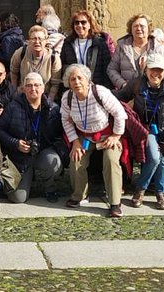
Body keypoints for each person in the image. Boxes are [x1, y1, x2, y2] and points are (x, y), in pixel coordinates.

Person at [61, 63, 127, 218]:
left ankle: (115, 203)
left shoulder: (100, 92)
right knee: (76, 159)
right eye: (72, 79)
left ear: (87, 79)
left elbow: (120, 114)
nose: (76, 82)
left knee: (111, 160)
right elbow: (66, 120)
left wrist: (116, 136)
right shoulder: (67, 97)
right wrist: (75, 142)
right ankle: (79, 196)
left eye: (79, 78)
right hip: (84, 137)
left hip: (107, 135)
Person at [117, 54, 164, 209]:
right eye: (152, 69)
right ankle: (141, 189)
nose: (156, 74)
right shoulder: (137, 84)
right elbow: (120, 96)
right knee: (154, 157)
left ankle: (159, 193)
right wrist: (100, 94)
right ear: (146, 70)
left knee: (163, 159)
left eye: (160, 70)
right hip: (146, 129)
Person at [0, 72, 63, 203]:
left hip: (42, 151)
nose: (33, 89)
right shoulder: (13, 107)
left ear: (43, 88)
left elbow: (59, 135)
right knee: (18, 199)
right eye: (29, 85)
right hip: (20, 156)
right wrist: (15, 143)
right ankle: (26, 179)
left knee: (53, 162)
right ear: (23, 88)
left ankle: (49, 186)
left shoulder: (52, 109)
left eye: (37, 85)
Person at [109, 14, 164, 89]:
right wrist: (123, 85)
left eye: (142, 26)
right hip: (127, 95)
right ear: (131, 29)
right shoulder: (122, 46)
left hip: (152, 94)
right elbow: (111, 69)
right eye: (135, 26)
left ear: (149, 29)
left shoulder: (158, 47)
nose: (138, 28)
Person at [60, 10, 113, 89]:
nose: (80, 25)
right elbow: (63, 66)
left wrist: (106, 89)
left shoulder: (99, 43)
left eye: (83, 22)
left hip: (95, 87)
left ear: (90, 25)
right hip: (75, 87)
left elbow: (106, 68)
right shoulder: (68, 43)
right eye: (76, 23)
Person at [10, 25, 63, 99]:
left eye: (40, 39)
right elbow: (13, 73)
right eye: (34, 39)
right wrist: (15, 93)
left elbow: (55, 84)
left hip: (44, 98)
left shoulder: (53, 58)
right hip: (23, 97)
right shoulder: (21, 53)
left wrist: (49, 101)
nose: (37, 42)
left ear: (46, 41)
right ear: (28, 41)